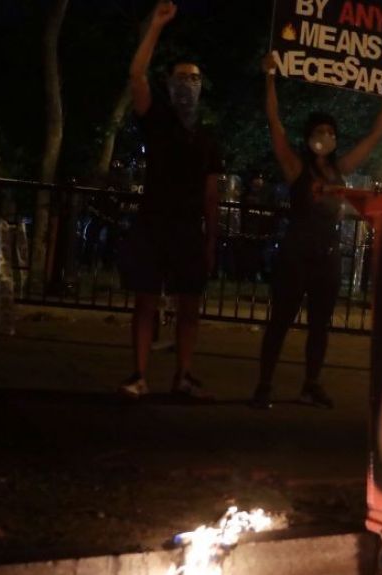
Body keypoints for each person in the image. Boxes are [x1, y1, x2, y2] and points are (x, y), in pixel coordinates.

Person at [251, 53, 382, 409]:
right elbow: (274, 122)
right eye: (320, 131)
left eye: (331, 132)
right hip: (296, 254)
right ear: (309, 137)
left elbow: (375, 136)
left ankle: (311, 384)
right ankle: (264, 385)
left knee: (320, 325)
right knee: (281, 321)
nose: (326, 137)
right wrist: (270, 77)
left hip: (327, 256)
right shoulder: (296, 167)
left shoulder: (340, 169)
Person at [117, 0, 222, 400]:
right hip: (153, 223)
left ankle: (183, 375)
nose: (187, 84)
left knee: (189, 305)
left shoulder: (207, 138)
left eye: (194, 79)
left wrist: (211, 240)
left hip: (188, 229)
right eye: (181, 77)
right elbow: (135, 74)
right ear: (169, 83)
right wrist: (157, 27)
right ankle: (139, 375)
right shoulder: (157, 118)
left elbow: (211, 194)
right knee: (145, 301)